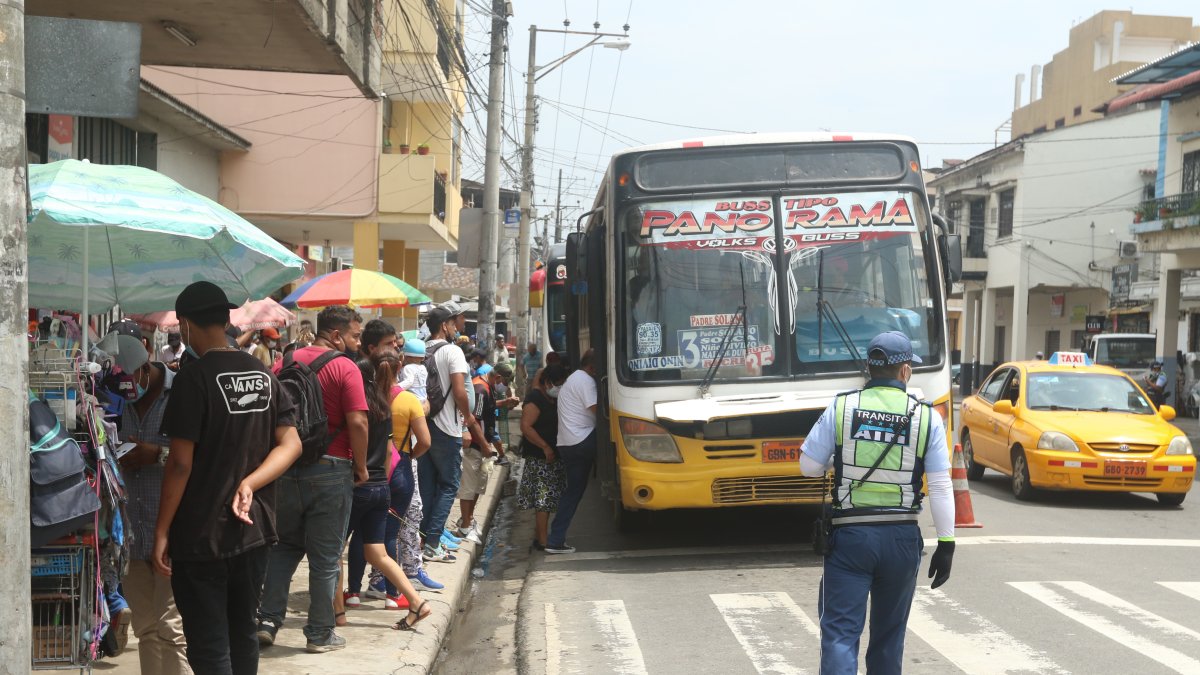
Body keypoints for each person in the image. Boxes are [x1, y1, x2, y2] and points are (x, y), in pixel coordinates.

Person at [153, 281, 301, 675]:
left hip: (202, 534)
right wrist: (251, 483)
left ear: (185, 324)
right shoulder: (262, 373)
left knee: (209, 645)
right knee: (242, 633)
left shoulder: (193, 378)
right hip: (254, 530)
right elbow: (291, 444)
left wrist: (162, 531)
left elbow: (180, 464)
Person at [799, 330, 955, 675]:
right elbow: (941, 486)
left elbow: (808, 466)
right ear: (905, 371)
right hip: (901, 538)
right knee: (888, 637)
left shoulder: (842, 407)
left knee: (840, 634)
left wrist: (836, 460)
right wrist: (946, 544)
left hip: (850, 537)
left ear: (869, 368)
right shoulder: (926, 417)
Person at [258, 306, 368, 654]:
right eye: (354, 335)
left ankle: (267, 621)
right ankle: (320, 633)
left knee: (283, 548)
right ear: (335, 335)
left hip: (286, 468)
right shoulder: (345, 367)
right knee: (325, 558)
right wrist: (361, 466)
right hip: (331, 470)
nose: (357, 342)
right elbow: (358, 422)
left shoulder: (284, 363)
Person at [342, 349, 433, 629]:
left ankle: (346, 601)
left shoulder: (360, 407)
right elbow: (421, 442)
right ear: (399, 367)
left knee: (341, 545)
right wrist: (406, 459)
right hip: (391, 477)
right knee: (383, 542)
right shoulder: (399, 403)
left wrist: (360, 470)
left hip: (362, 480)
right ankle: (400, 598)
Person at [118, 342, 191, 674]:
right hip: (133, 533)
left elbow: (198, 458)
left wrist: (156, 455)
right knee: (146, 629)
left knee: (172, 629)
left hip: (171, 532)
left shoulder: (182, 394)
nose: (126, 389)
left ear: (145, 369)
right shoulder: (123, 402)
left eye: (130, 380)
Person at [418, 304, 481, 562]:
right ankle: (433, 542)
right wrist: (468, 417)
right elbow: (459, 390)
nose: (456, 328)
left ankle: (425, 538)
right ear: (444, 326)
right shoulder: (452, 351)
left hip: (423, 426)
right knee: (449, 484)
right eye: (453, 324)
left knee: (428, 486)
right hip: (447, 428)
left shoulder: (421, 349)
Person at [546, 350, 599, 554]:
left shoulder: (574, 378)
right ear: (592, 367)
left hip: (568, 442)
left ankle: (556, 538)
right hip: (581, 440)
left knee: (573, 491)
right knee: (573, 492)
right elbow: (597, 410)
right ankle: (555, 539)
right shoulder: (586, 381)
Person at [517, 363, 568, 550]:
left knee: (547, 500)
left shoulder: (549, 398)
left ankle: (540, 537)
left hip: (551, 456)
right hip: (540, 458)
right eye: (558, 383)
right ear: (547, 382)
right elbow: (526, 427)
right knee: (543, 501)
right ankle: (543, 541)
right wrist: (545, 447)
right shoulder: (535, 399)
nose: (559, 387)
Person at [455, 364, 499, 544]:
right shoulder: (480, 390)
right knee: (469, 487)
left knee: (477, 486)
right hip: (474, 446)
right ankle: (465, 526)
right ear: (497, 377)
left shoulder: (486, 388)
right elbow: (474, 420)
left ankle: (469, 519)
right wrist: (484, 444)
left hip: (480, 445)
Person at [398, 338, 429, 404]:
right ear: (423, 358)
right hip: (423, 398)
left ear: (406, 356)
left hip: (413, 400)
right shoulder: (423, 367)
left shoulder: (408, 368)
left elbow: (409, 381)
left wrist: (396, 388)